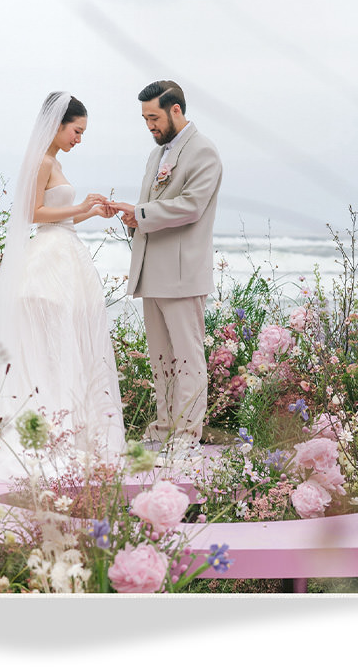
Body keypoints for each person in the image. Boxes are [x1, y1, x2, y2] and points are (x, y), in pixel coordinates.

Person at [0, 93, 126, 478]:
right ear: (57, 125)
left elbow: (60, 219)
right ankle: (47, 424)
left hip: (64, 253)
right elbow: (32, 213)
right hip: (48, 259)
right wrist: (79, 206)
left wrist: (91, 211)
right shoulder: (41, 161)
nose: (79, 139)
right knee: (47, 343)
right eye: (77, 131)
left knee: (63, 343)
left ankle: (66, 424)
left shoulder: (54, 162)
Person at [110, 81, 222, 457]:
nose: (150, 126)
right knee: (161, 359)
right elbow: (153, 207)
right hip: (153, 270)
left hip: (182, 272)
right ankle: (162, 428)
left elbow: (191, 206)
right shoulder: (156, 154)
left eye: (154, 117)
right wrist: (134, 218)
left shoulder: (203, 151)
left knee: (188, 358)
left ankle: (187, 435)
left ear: (176, 110)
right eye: (145, 119)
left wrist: (140, 213)